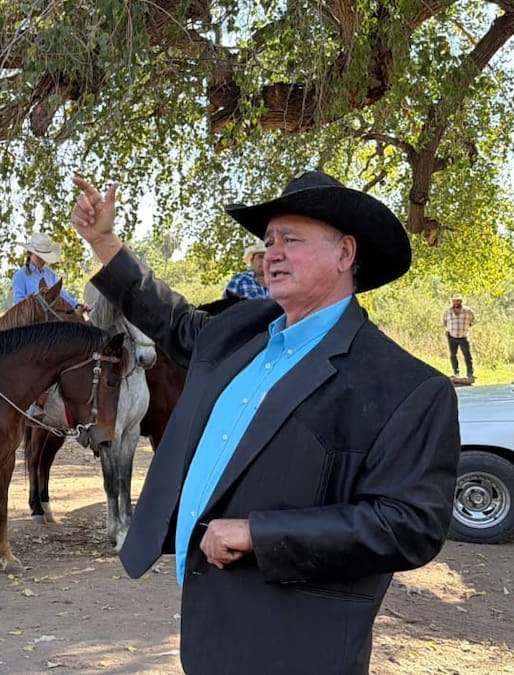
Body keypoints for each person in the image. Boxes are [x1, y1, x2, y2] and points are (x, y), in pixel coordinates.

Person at [70, 171, 460, 674]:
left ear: (344, 254)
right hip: (213, 622)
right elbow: (170, 319)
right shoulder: (244, 329)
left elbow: (411, 526)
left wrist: (261, 533)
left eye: (290, 240)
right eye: (268, 240)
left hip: (295, 643)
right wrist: (104, 241)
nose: (272, 252)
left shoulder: (405, 386)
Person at [11, 231, 84, 309]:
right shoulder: (20, 276)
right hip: (34, 319)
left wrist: (76, 305)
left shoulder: (51, 274)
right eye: (39, 257)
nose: (42, 260)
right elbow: (19, 304)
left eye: (45, 256)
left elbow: (61, 294)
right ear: (30, 253)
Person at [442, 294, 475, 380]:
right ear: (452, 302)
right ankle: (456, 373)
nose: (456, 302)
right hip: (451, 336)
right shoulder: (448, 312)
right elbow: (444, 322)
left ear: (461, 301)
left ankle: (470, 374)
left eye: (458, 300)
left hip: (463, 336)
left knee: (467, 355)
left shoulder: (468, 311)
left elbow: (472, 321)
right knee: (453, 355)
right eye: (455, 300)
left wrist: (465, 328)